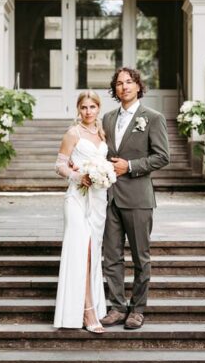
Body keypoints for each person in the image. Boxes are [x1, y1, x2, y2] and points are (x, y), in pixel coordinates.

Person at [100, 67, 170, 330]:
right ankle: (117, 306)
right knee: (112, 257)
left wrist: (129, 166)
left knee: (141, 257)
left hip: (139, 198)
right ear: (114, 89)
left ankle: (137, 309)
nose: (124, 87)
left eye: (129, 82)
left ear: (139, 87)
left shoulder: (152, 117)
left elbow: (162, 156)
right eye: (119, 83)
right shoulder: (106, 118)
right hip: (109, 198)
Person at [52, 90, 110, 333]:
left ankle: (93, 305)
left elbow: (106, 163)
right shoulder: (72, 133)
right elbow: (59, 165)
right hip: (77, 198)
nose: (88, 111)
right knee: (82, 253)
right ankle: (88, 312)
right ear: (78, 109)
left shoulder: (102, 133)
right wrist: (78, 176)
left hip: (98, 200)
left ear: (98, 108)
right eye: (84, 107)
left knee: (93, 254)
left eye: (92, 107)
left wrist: (104, 174)